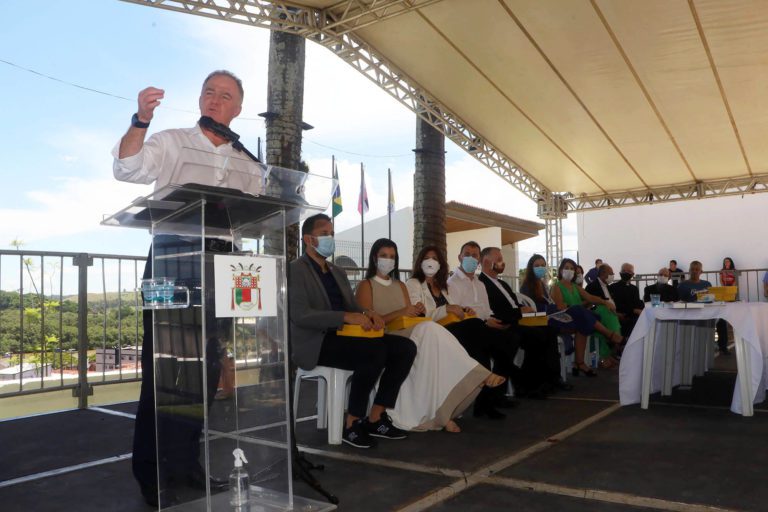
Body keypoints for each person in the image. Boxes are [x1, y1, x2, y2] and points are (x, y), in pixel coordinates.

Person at [113, 71, 253, 507]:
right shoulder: (173, 140)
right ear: (199, 99)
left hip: (222, 267)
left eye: (225, 95)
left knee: (204, 372)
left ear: (238, 108)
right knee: (165, 370)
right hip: (172, 260)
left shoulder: (247, 160)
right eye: (209, 92)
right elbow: (128, 168)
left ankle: (186, 463)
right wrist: (140, 121)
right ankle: (152, 472)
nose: (215, 100)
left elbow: (254, 216)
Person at [290, 216, 416, 448]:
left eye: (332, 232)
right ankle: (351, 423)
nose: (331, 237)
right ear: (309, 239)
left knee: (405, 348)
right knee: (373, 351)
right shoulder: (296, 270)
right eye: (325, 232)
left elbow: (352, 305)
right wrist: (345, 317)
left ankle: (376, 416)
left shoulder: (336, 271)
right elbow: (300, 315)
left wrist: (368, 312)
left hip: (347, 336)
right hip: (318, 342)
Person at [356, 239, 503, 433]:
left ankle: (443, 413)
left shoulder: (400, 285)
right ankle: (479, 375)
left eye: (392, 257)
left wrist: (415, 311)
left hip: (414, 329)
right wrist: (402, 312)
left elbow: (414, 314)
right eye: (384, 256)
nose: (388, 260)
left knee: (442, 334)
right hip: (391, 332)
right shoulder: (367, 285)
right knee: (431, 329)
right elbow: (370, 318)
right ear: (374, 258)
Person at [406, 245, 518, 420]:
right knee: (483, 333)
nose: (430, 262)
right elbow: (422, 315)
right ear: (420, 262)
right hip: (433, 333)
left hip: (455, 329)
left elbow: (455, 309)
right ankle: (510, 374)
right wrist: (448, 308)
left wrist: (464, 310)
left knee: (493, 341)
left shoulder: (442, 286)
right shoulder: (414, 284)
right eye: (427, 258)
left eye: (435, 259)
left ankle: (486, 398)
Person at [478, 247, 569, 394]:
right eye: (499, 259)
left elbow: (514, 303)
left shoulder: (503, 284)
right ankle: (529, 384)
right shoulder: (481, 284)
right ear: (486, 262)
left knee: (549, 328)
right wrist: (519, 311)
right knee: (536, 335)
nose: (503, 263)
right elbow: (495, 310)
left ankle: (551, 378)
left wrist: (524, 309)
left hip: (521, 317)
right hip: (510, 321)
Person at [549, 259, 624, 374]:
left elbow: (590, 297)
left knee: (587, 320)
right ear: (560, 270)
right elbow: (560, 306)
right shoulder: (556, 286)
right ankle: (610, 335)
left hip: (578, 319)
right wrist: (576, 307)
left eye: (572, 268)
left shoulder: (575, 286)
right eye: (566, 268)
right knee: (581, 313)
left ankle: (580, 363)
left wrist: (605, 302)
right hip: (564, 319)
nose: (569, 270)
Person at [585, 264, 624, 365]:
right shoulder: (592, 286)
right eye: (611, 273)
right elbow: (590, 303)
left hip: (611, 313)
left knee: (614, 318)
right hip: (598, 312)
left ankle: (609, 354)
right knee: (607, 315)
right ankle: (616, 344)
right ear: (603, 273)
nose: (613, 275)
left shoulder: (608, 287)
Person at [608, 263, 644, 337]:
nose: (625, 273)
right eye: (624, 270)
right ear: (620, 272)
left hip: (632, 317)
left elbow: (636, 303)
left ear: (632, 274)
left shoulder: (634, 289)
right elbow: (616, 304)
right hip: (618, 315)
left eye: (628, 271)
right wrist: (633, 310)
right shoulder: (613, 287)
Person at [716, 257, 738, 355]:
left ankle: (732, 321)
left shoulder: (734, 271)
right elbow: (721, 280)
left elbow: (735, 280)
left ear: (731, 262)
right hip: (724, 289)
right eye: (725, 262)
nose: (726, 263)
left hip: (731, 289)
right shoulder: (722, 271)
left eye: (728, 261)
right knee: (725, 305)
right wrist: (724, 287)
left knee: (732, 304)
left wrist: (731, 287)